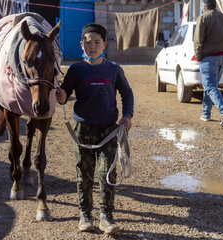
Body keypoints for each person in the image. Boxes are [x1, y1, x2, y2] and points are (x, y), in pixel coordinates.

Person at [56, 23, 134, 234]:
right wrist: (61, 96)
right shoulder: (76, 69)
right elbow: (63, 94)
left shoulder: (114, 70)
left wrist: (127, 116)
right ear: (81, 44)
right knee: (84, 174)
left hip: (109, 130)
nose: (92, 46)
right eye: (88, 43)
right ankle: (85, 215)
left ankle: (106, 217)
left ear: (104, 44)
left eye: (97, 42)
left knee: (107, 173)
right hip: (82, 130)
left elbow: (127, 93)